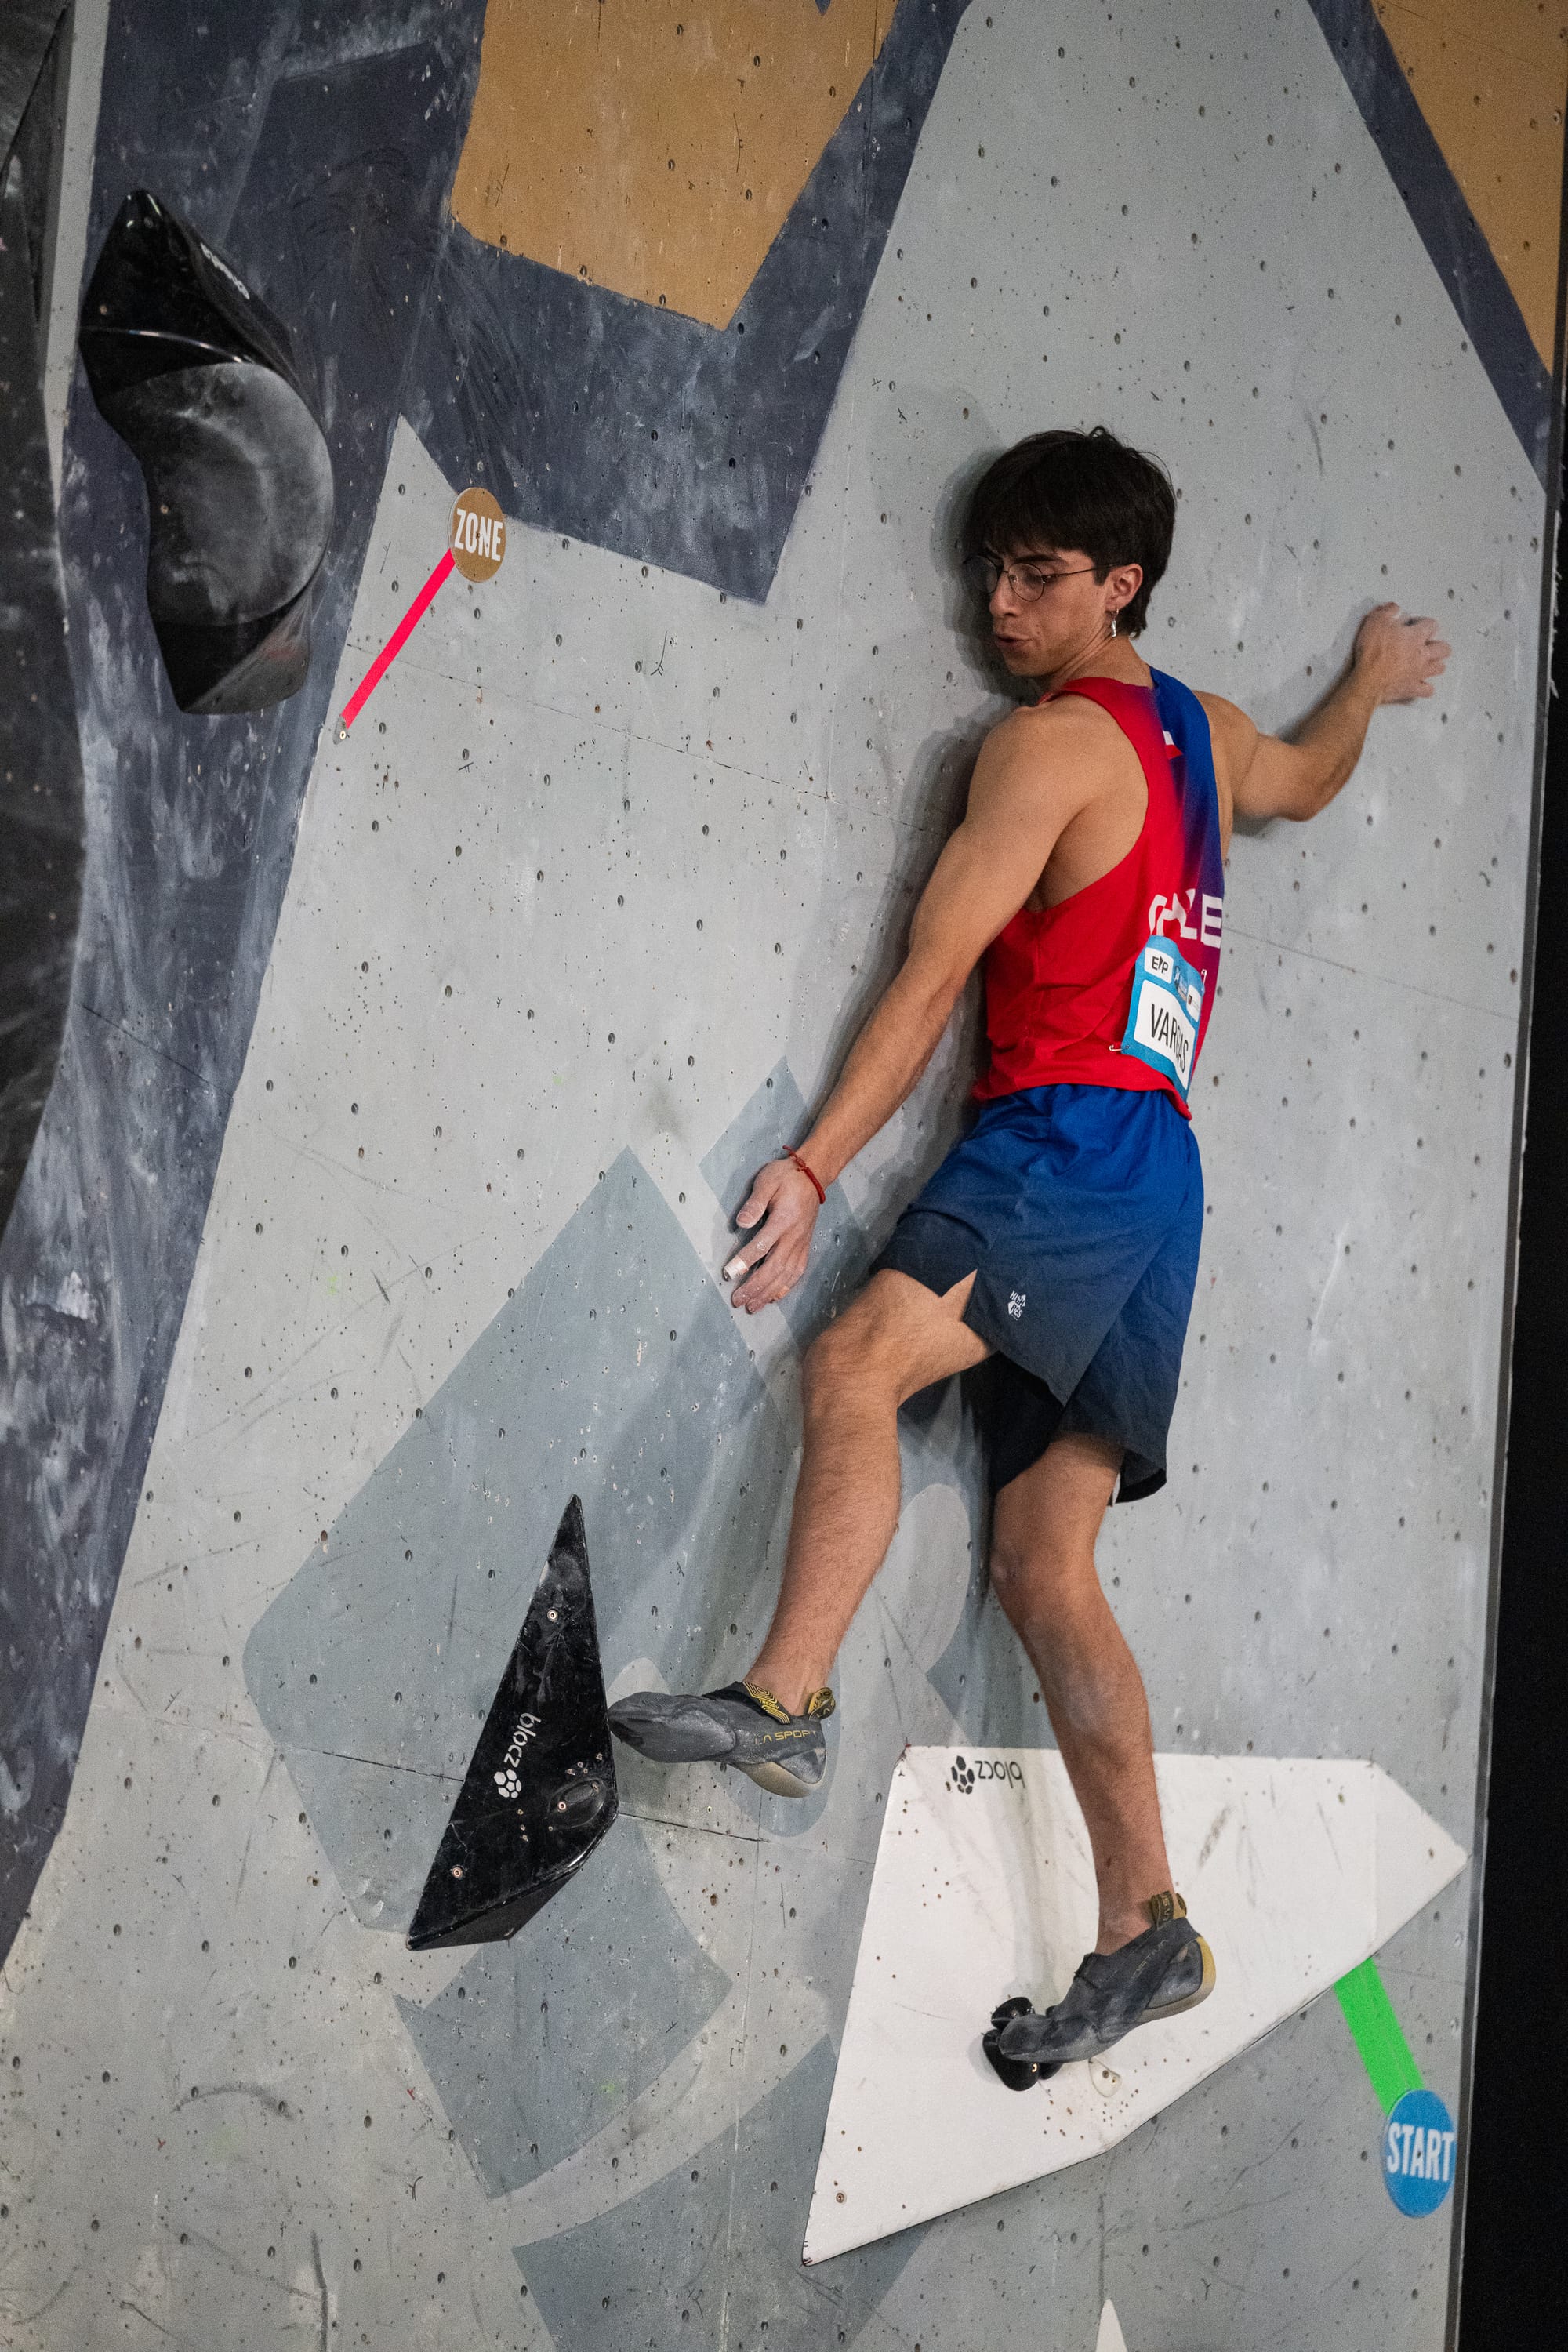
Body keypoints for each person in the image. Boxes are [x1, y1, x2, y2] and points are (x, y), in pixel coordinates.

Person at [608, 426, 1449, 2079]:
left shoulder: (1051, 748)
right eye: (988, 570)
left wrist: (814, 1158)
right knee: (1043, 1563)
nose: (998, 603)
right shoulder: (1200, 734)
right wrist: (1361, 680)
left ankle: (784, 1702)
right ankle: (1148, 1929)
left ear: (1118, 585)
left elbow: (932, 976)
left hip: (1061, 1141)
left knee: (852, 1363)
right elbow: (1300, 771)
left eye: (1038, 575)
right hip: (1156, 1175)